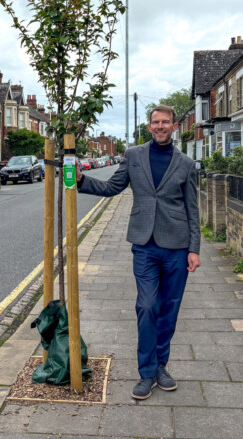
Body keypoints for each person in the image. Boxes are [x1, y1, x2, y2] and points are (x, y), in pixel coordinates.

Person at [76, 105, 201, 400]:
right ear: (149, 126)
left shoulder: (186, 163)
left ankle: (161, 366)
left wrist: (194, 249)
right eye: (156, 122)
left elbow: (192, 209)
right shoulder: (133, 156)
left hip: (177, 246)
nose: (160, 126)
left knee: (169, 309)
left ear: (174, 126)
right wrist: (82, 181)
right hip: (144, 246)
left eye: (165, 122)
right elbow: (112, 187)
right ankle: (146, 373)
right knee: (146, 307)